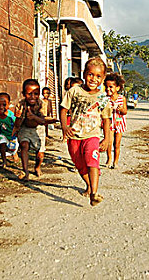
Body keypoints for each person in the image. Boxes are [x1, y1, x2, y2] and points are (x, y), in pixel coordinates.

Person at [60, 57, 112, 206]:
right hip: (74, 136)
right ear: (84, 74)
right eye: (90, 74)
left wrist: (107, 139)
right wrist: (64, 127)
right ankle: (89, 185)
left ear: (102, 78)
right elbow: (63, 110)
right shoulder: (74, 91)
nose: (93, 79)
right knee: (80, 165)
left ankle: (94, 193)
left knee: (92, 161)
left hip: (92, 136)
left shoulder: (103, 97)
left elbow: (106, 119)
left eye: (98, 76)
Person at [13, 79, 57, 180]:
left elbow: (42, 121)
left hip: (38, 129)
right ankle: (25, 171)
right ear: (24, 94)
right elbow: (17, 124)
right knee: (24, 146)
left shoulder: (42, 104)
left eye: (36, 94)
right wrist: (18, 117)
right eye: (29, 94)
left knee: (40, 155)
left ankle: (37, 167)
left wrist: (33, 116)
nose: (33, 97)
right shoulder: (20, 105)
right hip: (25, 129)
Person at [104, 73, 127, 169]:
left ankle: (115, 161)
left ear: (117, 88)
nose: (108, 89)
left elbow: (125, 111)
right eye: (106, 87)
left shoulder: (122, 98)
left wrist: (120, 108)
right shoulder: (105, 99)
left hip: (119, 123)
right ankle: (109, 159)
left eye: (111, 87)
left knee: (117, 144)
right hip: (109, 123)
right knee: (109, 142)